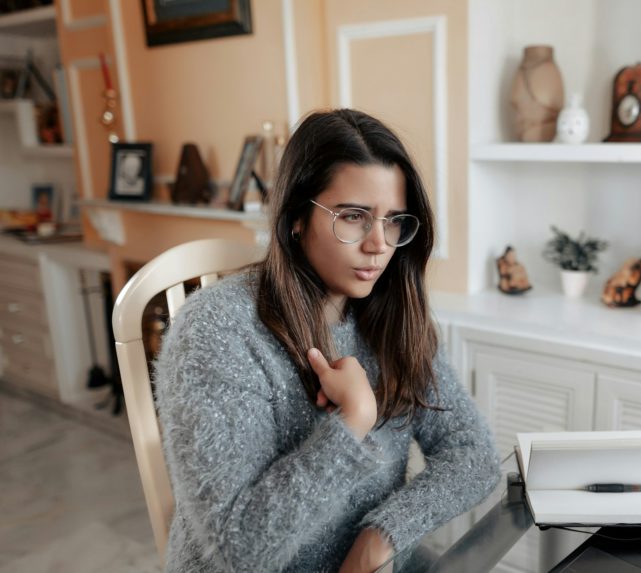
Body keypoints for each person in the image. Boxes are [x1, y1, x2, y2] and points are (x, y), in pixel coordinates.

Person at [154, 109, 501, 573]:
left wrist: (383, 536)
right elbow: (240, 551)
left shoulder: (393, 315)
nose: (379, 244)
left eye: (394, 219)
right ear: (297, 217)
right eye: (354, 217)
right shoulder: (216, 330)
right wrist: (352, 422)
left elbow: (474, 454)